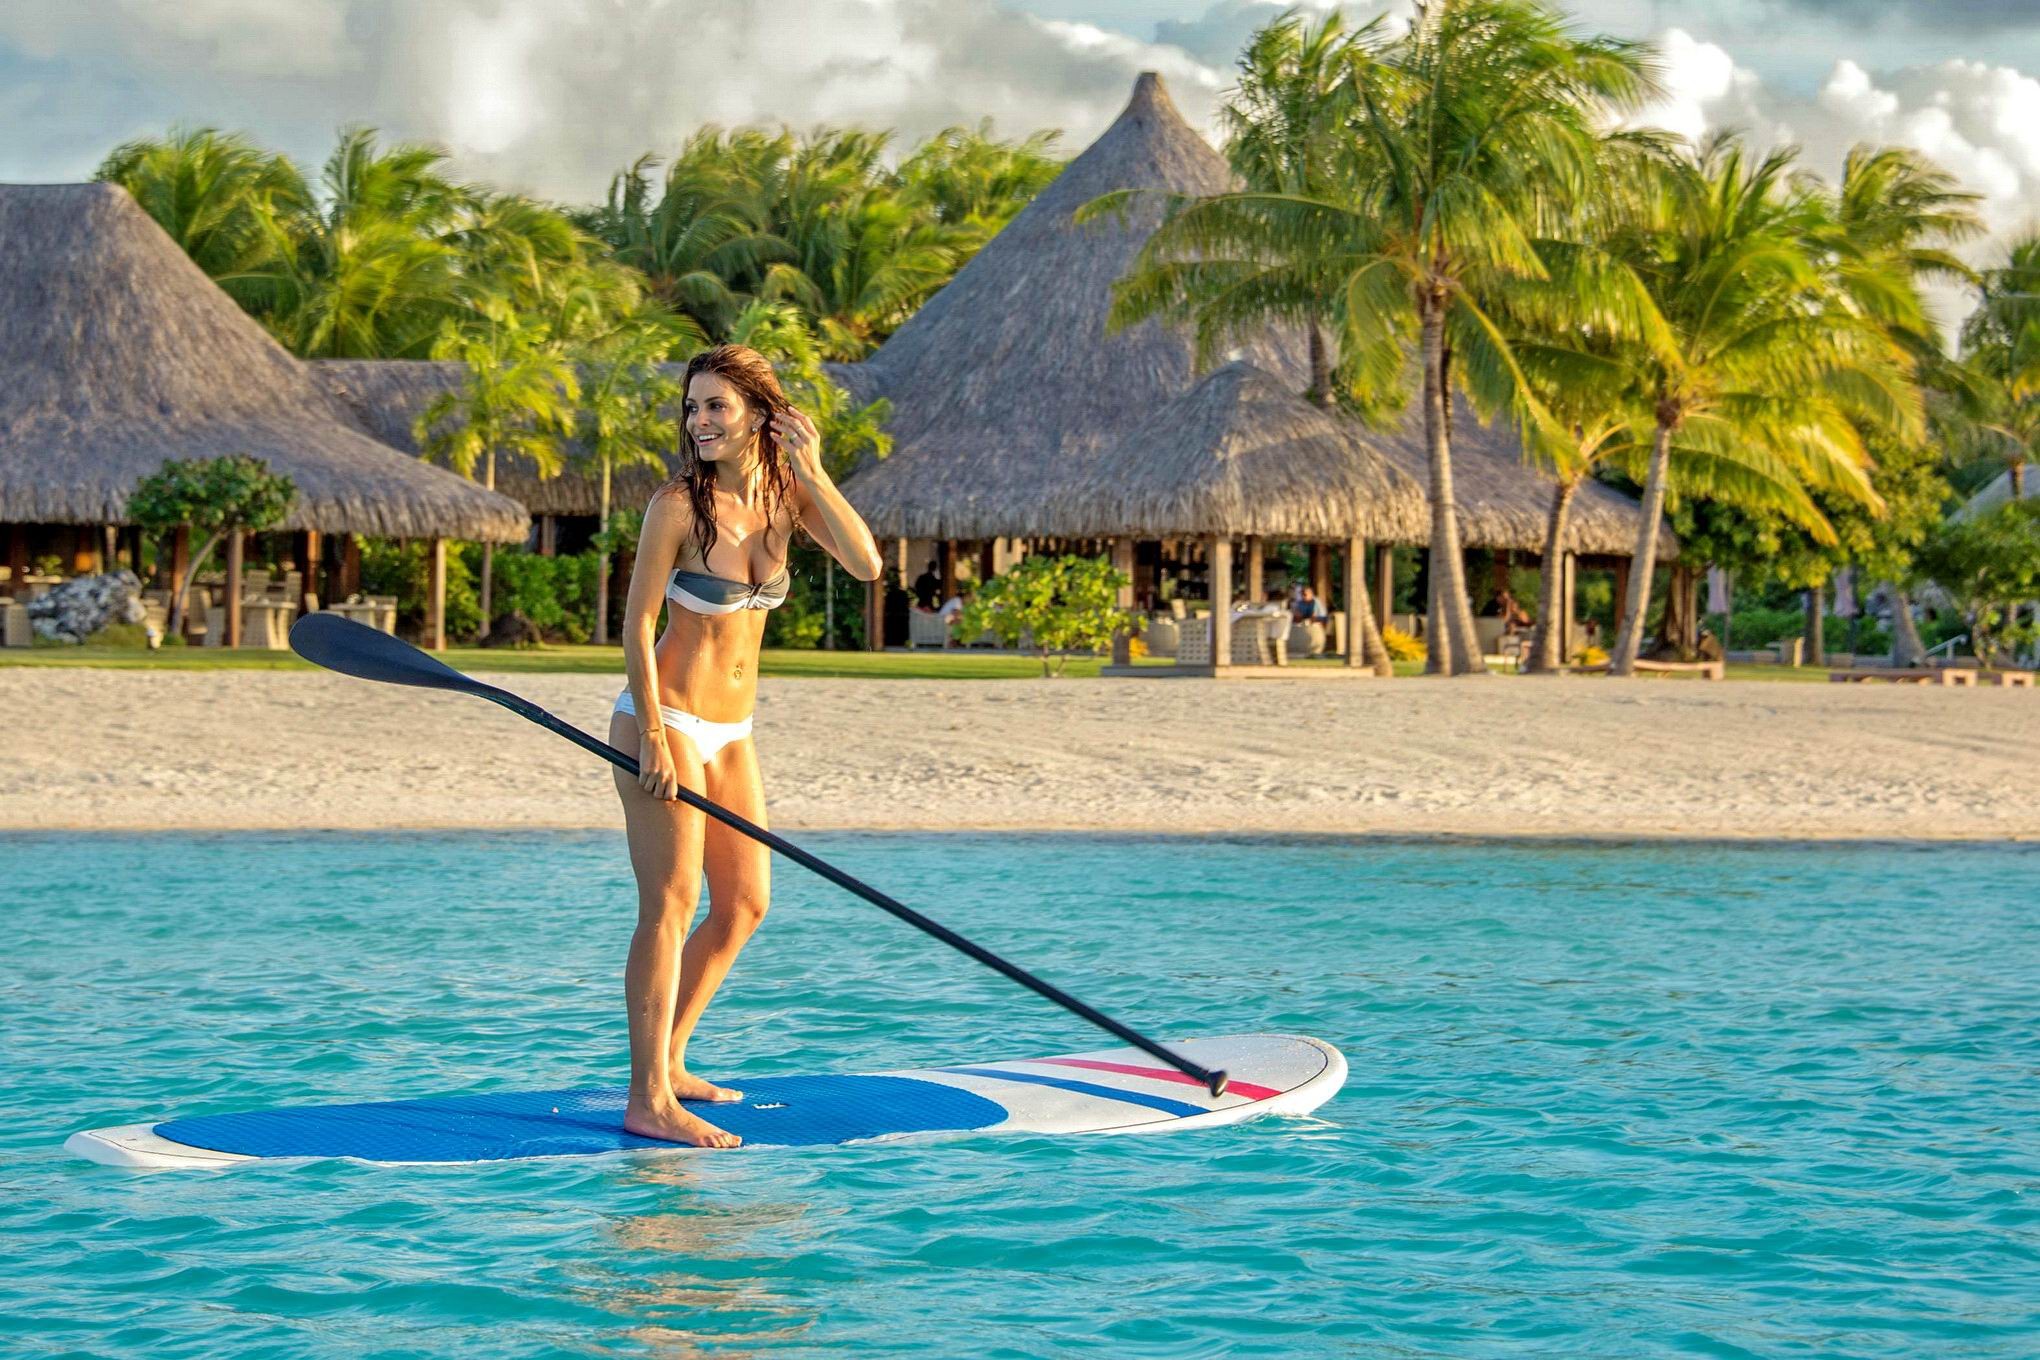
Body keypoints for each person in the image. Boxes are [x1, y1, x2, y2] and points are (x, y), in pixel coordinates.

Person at [611, 344, 881, 1148]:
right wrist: (654, 739)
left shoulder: (787, 494)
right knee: (670, 904)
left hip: (734, 732)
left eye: (715, 406)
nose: (698, 421)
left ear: (761, 414)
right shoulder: (675, 506)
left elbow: (866, 565)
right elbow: (637, 627)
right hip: (665, 721)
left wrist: (817, 470)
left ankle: (674, 1056)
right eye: (692, 407)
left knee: (746, 904)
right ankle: (647, 1096)